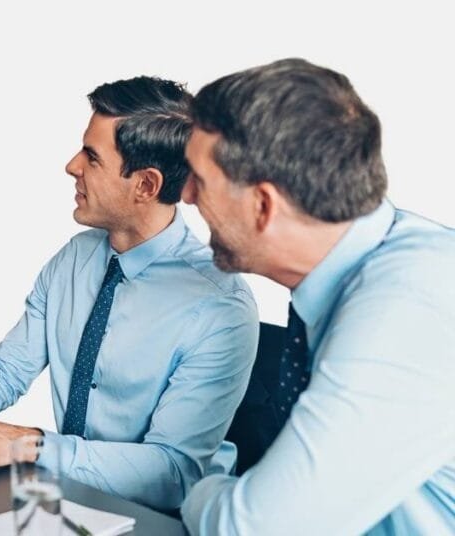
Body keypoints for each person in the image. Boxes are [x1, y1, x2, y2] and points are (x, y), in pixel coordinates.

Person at [0, 77, 259, 511]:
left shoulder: (219, 307)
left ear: (145, 185)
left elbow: (174, 474)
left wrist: (31, 445)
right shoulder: (75, 258)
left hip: (162, 516)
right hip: (73, 496)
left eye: (92, 157)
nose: (72, 166)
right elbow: (6, 370)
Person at [179, 58, 455, 535]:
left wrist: (201, 487)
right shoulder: (371, 267)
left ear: (263, 206)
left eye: (199, 180)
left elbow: (254, 528)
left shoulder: (407, 309)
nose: (184, 196)